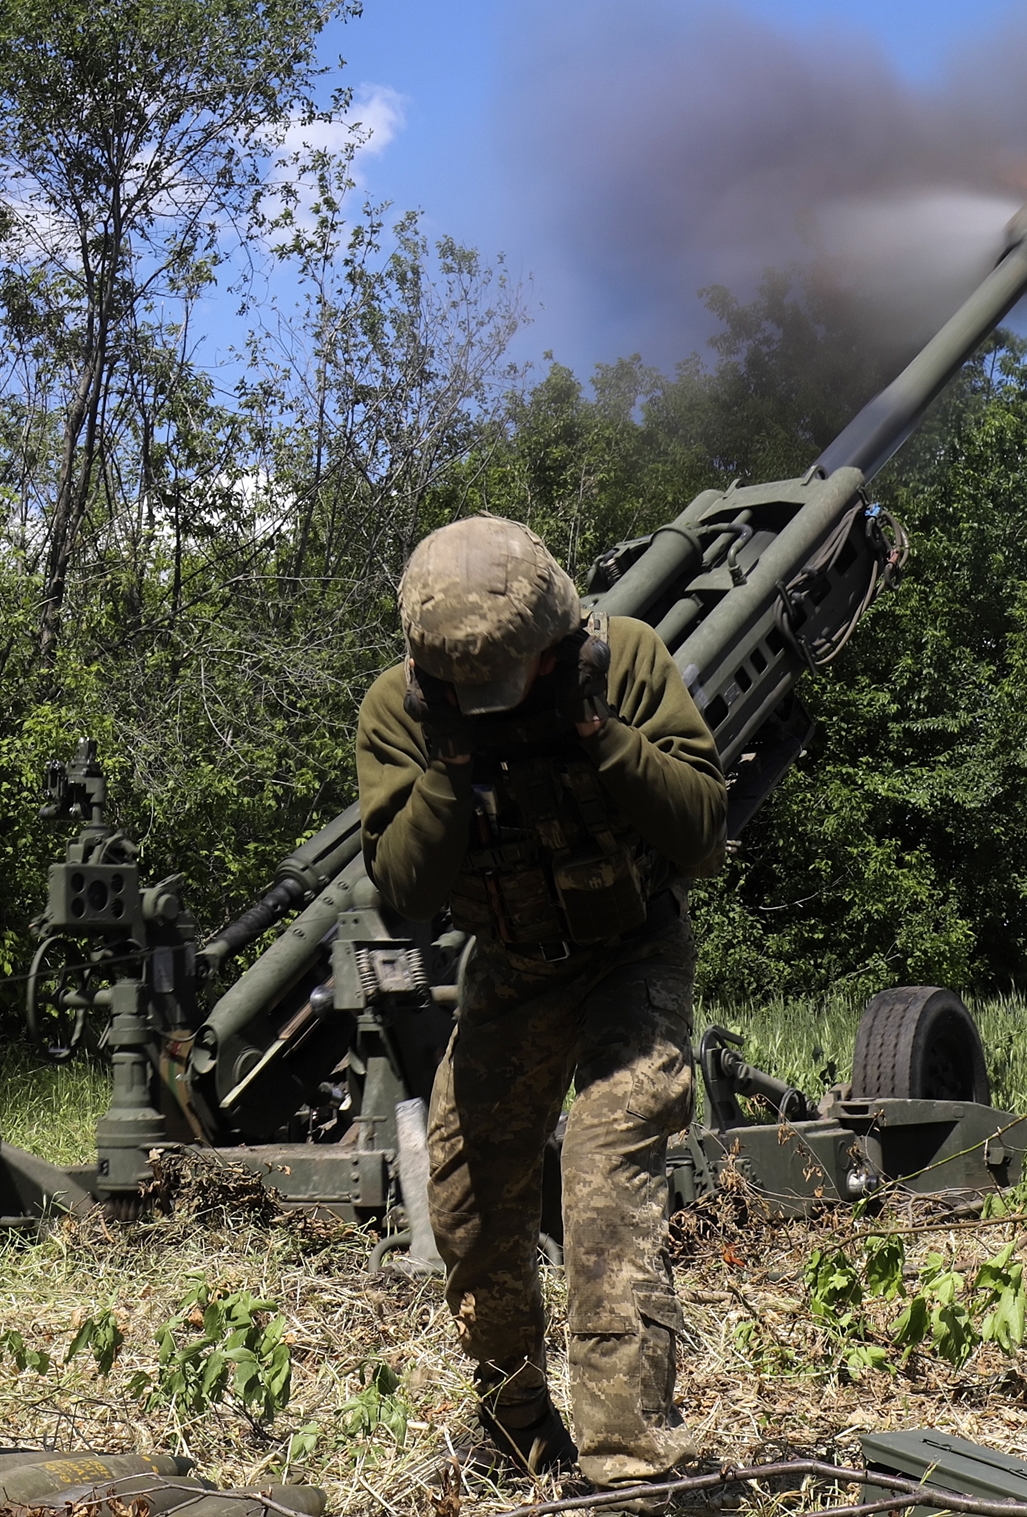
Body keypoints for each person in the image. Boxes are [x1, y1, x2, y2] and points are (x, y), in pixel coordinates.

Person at [356, 514, 727, 1491]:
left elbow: (701, 833)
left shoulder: (628, 660)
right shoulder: (403, 708)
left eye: (506, 678)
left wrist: (595, 733)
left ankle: (624, 1465)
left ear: (556, 642)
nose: (488, 699)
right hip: (512, 965)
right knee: (469, 1205)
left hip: (631, 952)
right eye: (463, 685)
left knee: (607, 1187)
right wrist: (449, 763)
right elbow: (401, 891)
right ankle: (519, 1424)